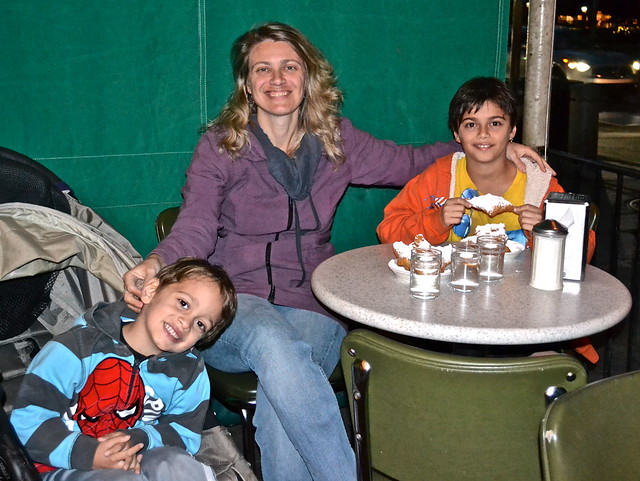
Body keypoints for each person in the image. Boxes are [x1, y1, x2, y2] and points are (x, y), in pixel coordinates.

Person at [122, 23, 551, 481]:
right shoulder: (222, 146)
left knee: (279, 398)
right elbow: (196, 226)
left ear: (308, 77)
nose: (277, 79)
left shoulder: (337, 141)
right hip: (236, 304)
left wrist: (489, 146)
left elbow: (410, 161)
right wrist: (155, 263)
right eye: (262, 69)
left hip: (312, 302)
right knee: (272, 341)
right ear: (246, 83)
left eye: (290, 67)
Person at [376, 76, 597, 363]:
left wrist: (544, 229)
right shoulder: (440, 177)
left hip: (523, 318)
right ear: (456, 133)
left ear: (512, 130)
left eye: (495, 123)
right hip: (448, 313)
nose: (483, 134)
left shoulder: (539, 184)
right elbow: (388, 229)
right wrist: (436, 221)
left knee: (545, 363)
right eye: (470, 124)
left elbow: (583, 252)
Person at [11, 258, 237, 481]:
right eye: (183, 303)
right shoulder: (73, 350)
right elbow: (25, 424)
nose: (185, 323)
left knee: (178, 466)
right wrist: (91, 454)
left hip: (138, 457)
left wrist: (140, 439)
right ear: (150, 290)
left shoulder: (189, 372)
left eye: (200, 324)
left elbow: (185, 434)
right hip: (59, 467)